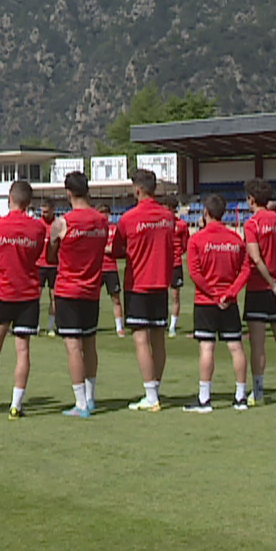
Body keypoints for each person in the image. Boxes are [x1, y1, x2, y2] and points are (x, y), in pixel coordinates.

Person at [0, 180, 47, 418]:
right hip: (28, 296)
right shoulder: (38, 228)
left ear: (9, 199)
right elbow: (36, 255)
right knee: (23, 351)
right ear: (29, 202)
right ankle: (17, 404)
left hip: (3, 294)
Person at [112, 168, 179, 411]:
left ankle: (151, 395)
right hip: (160, 283)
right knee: (158, 339)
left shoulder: (128, 218)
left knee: (141, 340)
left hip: (138, 284)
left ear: (137, 190)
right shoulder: (167, 217)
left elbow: (118, 249)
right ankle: (155, 390)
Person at [184, 193, 251, 412]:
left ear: (205, 213)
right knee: (236, 347)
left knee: (206, 348)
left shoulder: (196, 239)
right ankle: (240, 397)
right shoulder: (235, 239)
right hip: (229, 302)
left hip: (206, 301)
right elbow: (245, 270)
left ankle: (204, 399)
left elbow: (194, 272)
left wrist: (213, 294)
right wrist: (230, 293)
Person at [50, 171, 108, 417]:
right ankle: (91, 397)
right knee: (90, 344)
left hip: (68, 290)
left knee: (73, 347)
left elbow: (50, 256)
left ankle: (81, 403)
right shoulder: (102, 220)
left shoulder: (61, 223)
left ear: (68, 193)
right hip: (92, 289)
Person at [240, 178, 276, 403]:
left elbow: (255, 258)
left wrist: (273, 285)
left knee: (257, 343)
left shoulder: (251, 224)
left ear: (251, 199)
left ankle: (258, 391)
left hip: (259, 288)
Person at [98, 202, 123, 336]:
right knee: (93, 298)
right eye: (101, 213)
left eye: (106, 213)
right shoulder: (94, 229)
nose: (104, 216)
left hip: (111, 268)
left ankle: (119, 327)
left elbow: (115, 248)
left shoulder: (114, 229)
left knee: (116, 298)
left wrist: (103, 249)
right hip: (97, 268)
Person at [35, 201, 59, 335]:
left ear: (52, 210)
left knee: (54, 297)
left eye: (46, 211)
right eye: (42, 212)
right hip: (39, 265)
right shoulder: (38, 224)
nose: (43, 214)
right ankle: (35, 325)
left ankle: (51, 326)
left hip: (54, 265)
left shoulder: (58, 224)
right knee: (35, 296)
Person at [169, 202, 190, 337]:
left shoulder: (181, 225)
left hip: (175, 264)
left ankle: (172, 326)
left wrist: (177, 254)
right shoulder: (160, 224)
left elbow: (185, 244)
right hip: (160, 264)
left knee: (175, 296)